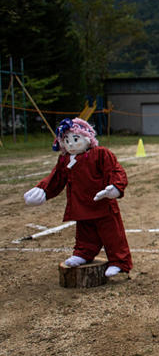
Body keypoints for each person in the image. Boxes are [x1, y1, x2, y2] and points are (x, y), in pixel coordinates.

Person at [23, 118, 132, 277]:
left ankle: (119, 262)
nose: (71, 144)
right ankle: (83, 253)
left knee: (112, 234)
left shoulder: (100, 154)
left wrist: (115, 187)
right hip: (80, 204)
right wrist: (43, 191)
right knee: (84, 231)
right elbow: (56, 179)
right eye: (66, 140)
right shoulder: (65, 160)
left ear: (87, 138)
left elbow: (116, 171)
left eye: (75, 139)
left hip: (102, 204)